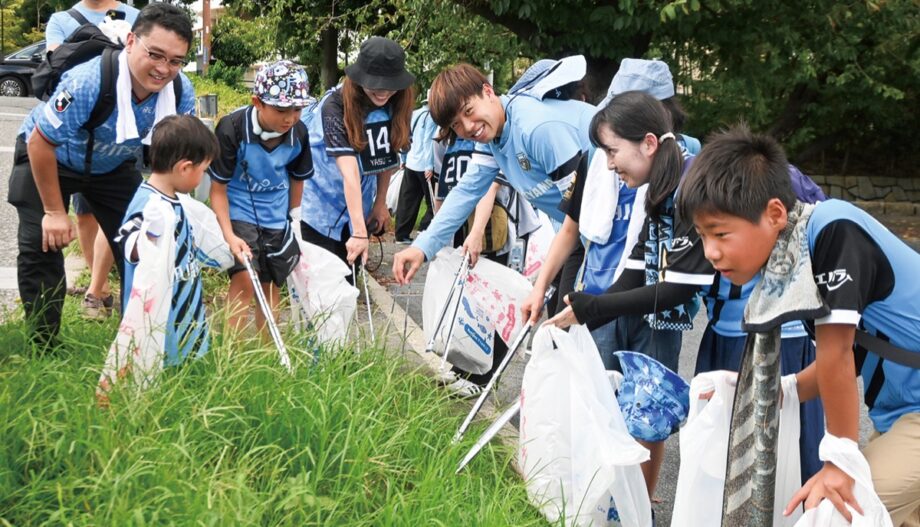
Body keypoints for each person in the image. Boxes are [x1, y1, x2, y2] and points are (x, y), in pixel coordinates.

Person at [676, 125, 920, 526]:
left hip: (913, 412)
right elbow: (849, 356)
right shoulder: (794, 256)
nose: (711, 252)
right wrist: (780, 390)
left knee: (836, 513)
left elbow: (839, 352)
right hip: (896, 412)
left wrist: (840, 461)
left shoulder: (833, 233)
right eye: (702, 236)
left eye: (720, 233)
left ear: (774, 214)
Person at [8, 2, 196, 348]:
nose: (163, 69)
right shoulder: (89, 80)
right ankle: (43, 345)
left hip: (111, 166)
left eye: (175, 60)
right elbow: (40, 143)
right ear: (130, 42)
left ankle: (140, 339)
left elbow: (179, 156)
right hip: (51, 157)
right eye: (154, 54)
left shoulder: (181, 91)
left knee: (145, 244)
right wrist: (53, 212)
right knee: (42, 245)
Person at [522, 58, 698, 372]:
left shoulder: (687, 178)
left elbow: (678, 286)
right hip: (605, 295)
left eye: (613, 151)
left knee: (651, 410)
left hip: (662, 314)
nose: (610, 164)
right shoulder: (601, 162)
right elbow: (578, 237)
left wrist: (591, 309)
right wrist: (574, 306)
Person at [392, 59, 596, 317]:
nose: (467, 128)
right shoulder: (493, 138)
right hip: (575, 230)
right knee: (559, 325)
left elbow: (584, 208)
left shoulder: (537, 129)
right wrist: (422, 247)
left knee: (575, 326)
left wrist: (546, 282)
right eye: (456, 124)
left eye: (468, 111)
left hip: (604, 227)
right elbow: (467, 191)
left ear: (488, 92)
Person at [46, 0, 141, 319]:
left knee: (120, 216)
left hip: (122, 136)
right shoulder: (61, 19)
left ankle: (97, 288)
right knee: (85, 215)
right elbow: (60, 69)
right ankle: (98, 287)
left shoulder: (137, 17)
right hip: (76, 137)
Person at [209, 60, 313, 337]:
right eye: (281, 110)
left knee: (271, 284)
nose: (290, 118)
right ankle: (231, 355)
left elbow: (297, 179)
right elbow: (217, 188)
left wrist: (295, 219)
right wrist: (229, 235)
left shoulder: (299, 134)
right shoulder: (231, 129)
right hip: (239, 212)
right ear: (257, 102)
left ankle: (268, 353)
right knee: (244, 278)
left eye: (297, 109)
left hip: (276, 218)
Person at [300, 36, 414, 271]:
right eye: (375, 85)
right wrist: (361, 233)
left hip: (357, 207)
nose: (383, 93)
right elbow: (349, 171)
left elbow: (385, 158)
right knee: (324, 285)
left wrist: (380, 203)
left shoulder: (396, 104)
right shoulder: (335, 105)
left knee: (349, 281)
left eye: (390, 86)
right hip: (320, 207)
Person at [117, 114, 219, 364]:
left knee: (186, 359)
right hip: (159, 309)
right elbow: (127, 243)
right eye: (203, 170)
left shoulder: (174, 199)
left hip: (184, 299)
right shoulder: (150, 204)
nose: (203, 177)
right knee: (161, 361)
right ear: (185, 168)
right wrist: (149, 234)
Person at [394, 97, 437, 244]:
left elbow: (405, 136)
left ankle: (401, 234)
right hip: (424, 165)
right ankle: (424, 228)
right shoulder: (432, 117)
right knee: (433, 201)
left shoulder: (414, 114)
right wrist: (429, 165)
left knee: (407, 200)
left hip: (411, 163)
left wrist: (404, 158)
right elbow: (428, 141)